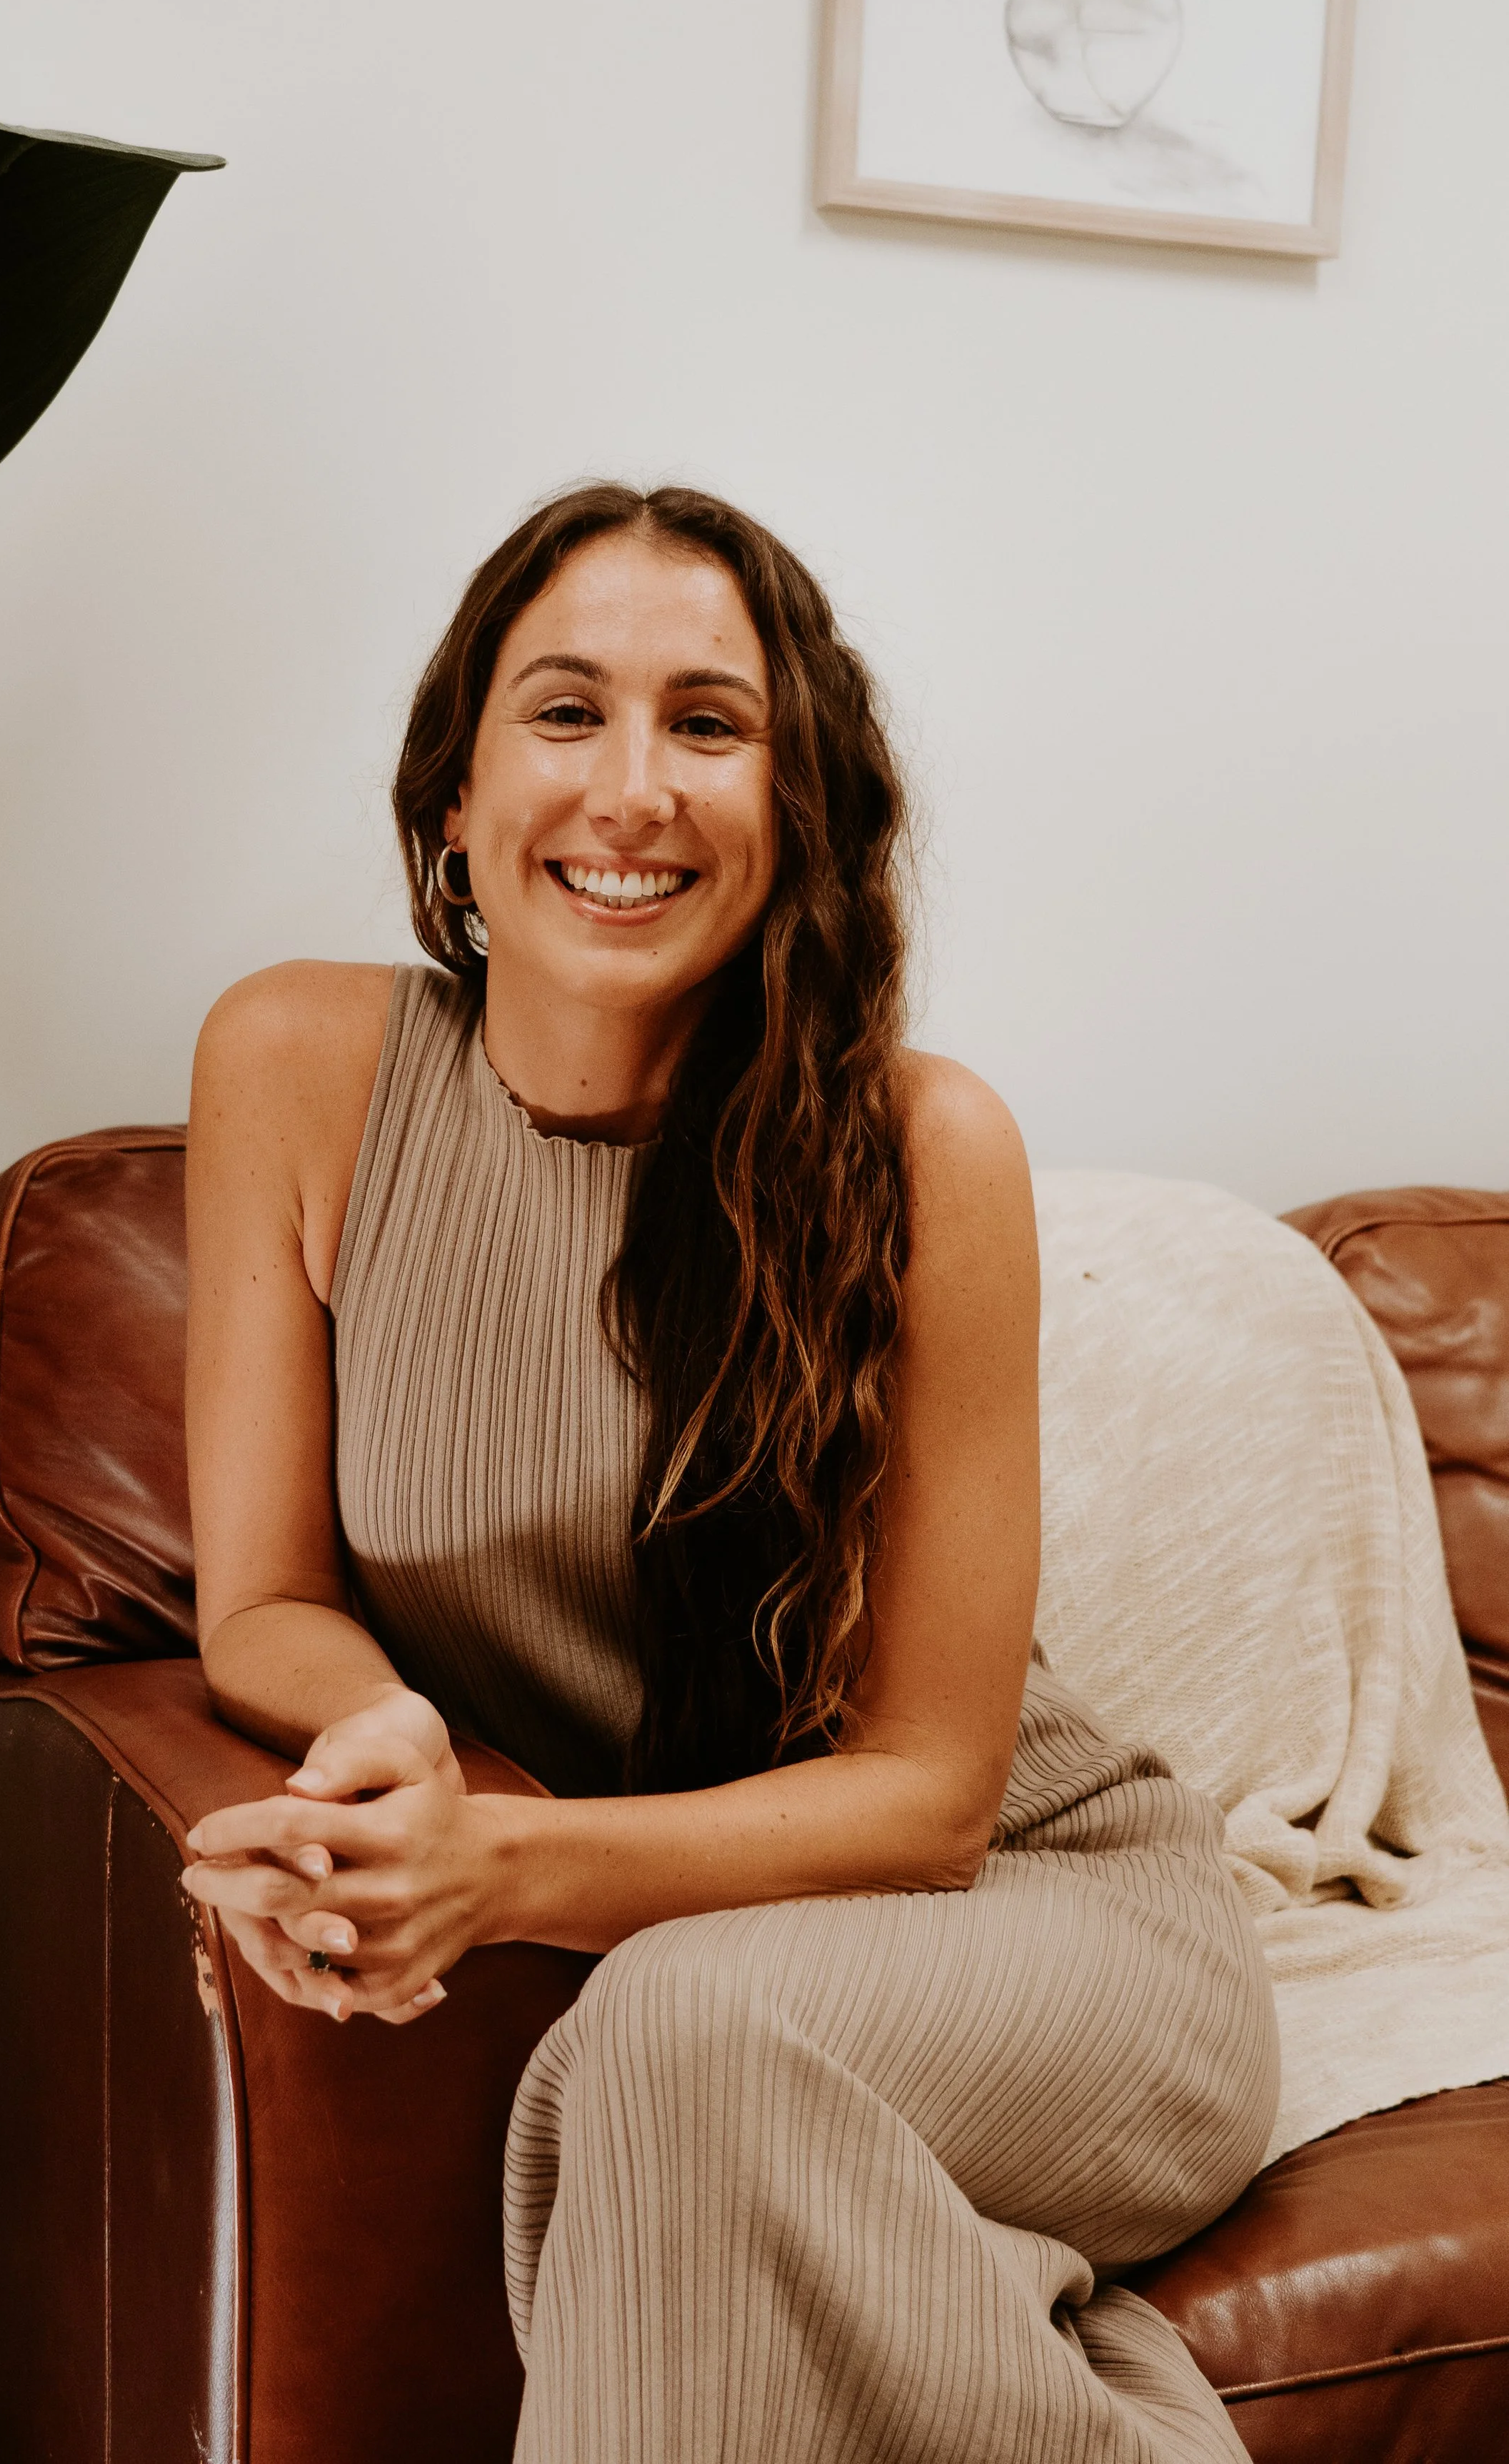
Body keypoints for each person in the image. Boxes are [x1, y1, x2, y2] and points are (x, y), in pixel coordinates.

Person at [178, 483, 1278, 2463]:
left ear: (794, 814)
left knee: (667, 2033)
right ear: (449, 793)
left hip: (1046, 1925)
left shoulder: (923, 1147)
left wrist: (507, 1873)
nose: (631, 788)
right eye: (565, 710)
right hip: (724, 1984)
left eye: (708, 723)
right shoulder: (292, 1066)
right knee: (686, 2044)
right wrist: (393, 1740)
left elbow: (936, 1799)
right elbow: (259, 1598)